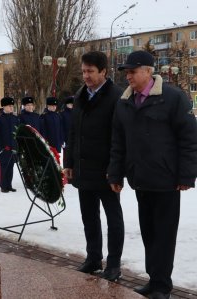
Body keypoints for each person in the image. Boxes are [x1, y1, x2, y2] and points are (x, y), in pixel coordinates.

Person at [108, 50, 197, 299]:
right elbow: (118, 142)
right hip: (141, 179)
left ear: (148, 72)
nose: (128, 76)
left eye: (132, 71)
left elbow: (190, 139)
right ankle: (154, 279)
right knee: (149, 233)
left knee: (164, 235)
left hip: (167, 181)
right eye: (126, 72)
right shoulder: (125, 102)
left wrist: (186, 176)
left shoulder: (173, 98)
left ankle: (162, 286)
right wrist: (115, 175)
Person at [63, 51, 125, 282]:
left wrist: (116, 169)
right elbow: (73, 132)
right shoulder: (80, 95)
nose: (86, 76)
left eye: (90, 71)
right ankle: (93, 258)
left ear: (103, 72)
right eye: (83, 71)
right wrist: (68, 162)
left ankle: (114, 264)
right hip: (82, 168)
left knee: (113, 218)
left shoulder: (117, 97)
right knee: (89, 216)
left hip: (107, 171)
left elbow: (120, 137)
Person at [0, 97, 20, 193]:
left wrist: (16, 146)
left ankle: (9, 185)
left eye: (12, 106)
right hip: (3, 149)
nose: (12, 108)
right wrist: (1, 148)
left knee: (11, 167)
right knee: (4, 168)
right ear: (4, 106)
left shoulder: (15, 118)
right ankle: (3, 186)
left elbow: (17, 134)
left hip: (13, 148)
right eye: (9, 106)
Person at [60, 96, 74, 160]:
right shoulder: (62, 114)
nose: (71, 105)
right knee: (67, 156)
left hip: (74, 138)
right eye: (70, 104)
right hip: (66, 138)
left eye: (72, 104)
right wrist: (62, 140)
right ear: (67, 104)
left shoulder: (76, 113)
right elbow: (61, 127)